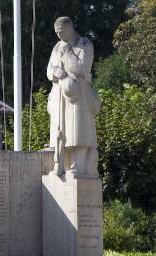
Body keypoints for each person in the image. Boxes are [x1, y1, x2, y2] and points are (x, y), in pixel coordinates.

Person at [47, 16, 101, 177]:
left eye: (61, 31)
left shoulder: (84, 44)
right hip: (59, 92)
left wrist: (66, 51)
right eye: (56, 32)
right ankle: (61, 164)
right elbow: (49, 69)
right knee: (61, 131)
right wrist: (54, 73)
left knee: (78, 129)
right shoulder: (57, 46)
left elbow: (81, 68)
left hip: (78, 94)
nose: (58, 35)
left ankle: (79, 166)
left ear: (70, 27)